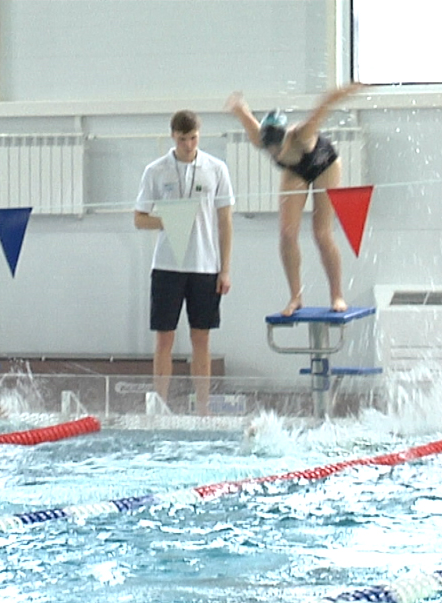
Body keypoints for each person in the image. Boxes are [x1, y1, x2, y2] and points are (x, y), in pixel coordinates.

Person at [226, 84, 362, 316]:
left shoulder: (303, 132)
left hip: (324, 165)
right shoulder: (260, 138)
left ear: (285, 138)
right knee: (287, 234)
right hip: (295, 171)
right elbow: (244, 112)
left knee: (322, 233)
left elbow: (326, 102)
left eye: (278, 149)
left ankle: (337, 294)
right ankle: (295, 297)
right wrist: (237, 105)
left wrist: (353, 88)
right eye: (270, 151)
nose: (275, 154)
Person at [134, 109, 234, 415]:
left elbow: (225, 222)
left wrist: (225, 269)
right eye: (183, 139)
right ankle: (160, 406)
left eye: (193, 138)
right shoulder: (156, 170)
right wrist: (169, 221)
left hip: (205, 266)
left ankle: (202, 408)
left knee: (201, 338)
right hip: (166, 265)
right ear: (172, 136)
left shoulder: (216, 169)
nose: (189, 145)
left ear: (199, 135)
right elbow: (139, 219)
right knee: (164, 338)